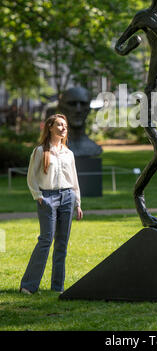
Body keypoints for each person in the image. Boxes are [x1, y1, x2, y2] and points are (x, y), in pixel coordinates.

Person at [20, 113, 83, 295]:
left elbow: (74, 179)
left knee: (62, 243)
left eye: (65, 126)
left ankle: (57, 287)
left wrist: (77, 203)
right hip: (47, 198)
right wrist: (39, 196)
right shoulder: (40, 151)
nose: (63, 128)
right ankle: (28, 286)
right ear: (50, 127)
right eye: (59, 125)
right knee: (45, 240)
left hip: (67, 198)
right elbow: (31, 177)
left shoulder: (68, 153)